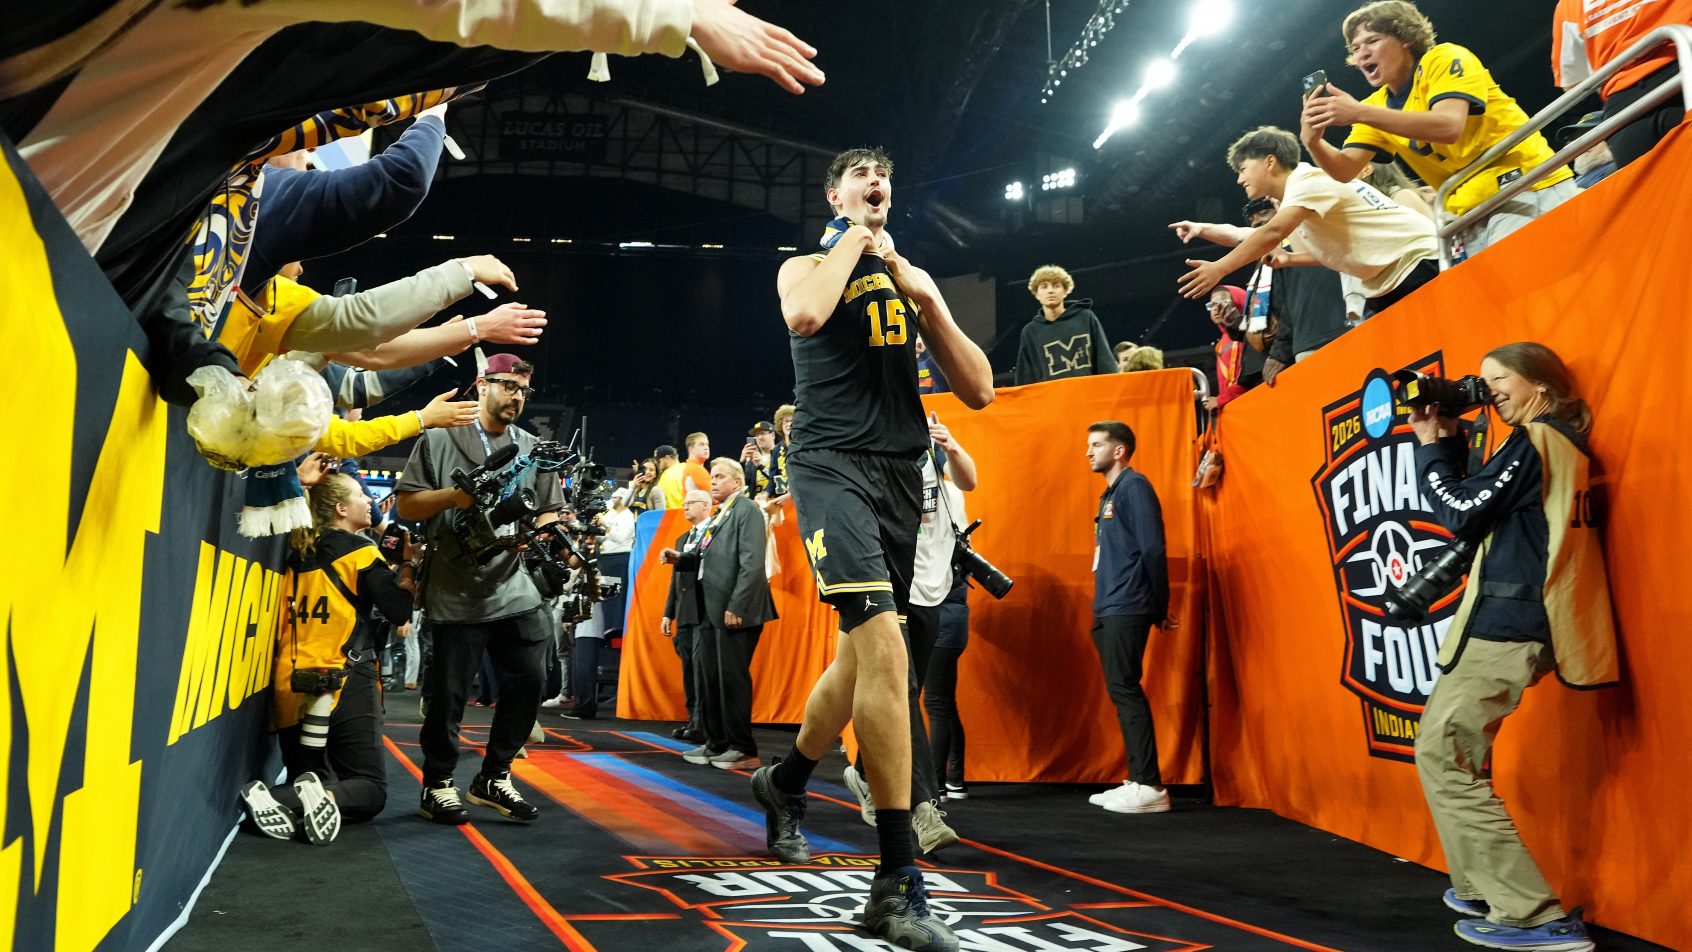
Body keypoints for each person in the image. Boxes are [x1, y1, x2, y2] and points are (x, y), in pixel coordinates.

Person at [752, 146, 993, 952]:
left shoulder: (908, 276)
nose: (875, 183)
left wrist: (930, 298)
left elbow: (981, 389)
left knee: (862, 659)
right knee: (887, 650)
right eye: (859, 175)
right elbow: (805, 318)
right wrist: (853, 238)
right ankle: (896, 880)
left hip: (900, 474)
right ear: (835, 194)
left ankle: (785, 782)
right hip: (828, 466)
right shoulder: (804, 265)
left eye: (884, 176)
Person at [1407, 342, 1616, 952]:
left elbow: (1461, 513)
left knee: (1446, 755)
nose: (1490, 390)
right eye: (1486, 381)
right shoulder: (1545, 444)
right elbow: (1486, 505)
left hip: (1510, 622)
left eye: (1502, 380)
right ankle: (1480, 885)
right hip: (1511, 618)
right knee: (1439, 749)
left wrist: (1428, 450)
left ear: (1541, 387)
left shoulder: (1540, 439)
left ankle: (1531, 913)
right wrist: (1446, 439)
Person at [394, 353, 563, 825]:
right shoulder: (441, 436)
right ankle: (438, 785)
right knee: (448, 695)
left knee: (532, 676)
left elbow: (550, 508)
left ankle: (494, 774)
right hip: (454, 584)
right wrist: (454, 497)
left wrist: (547, 534)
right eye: (508, 386)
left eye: (524, 390)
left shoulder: (533, 447)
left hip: (513, 582)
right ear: (482, 384)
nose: (517, 397)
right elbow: (407, 507)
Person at [1301, 1, 1576, 258]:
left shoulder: (1444, 57)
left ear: (1406, 38)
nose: (1362, 53)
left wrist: (1359, 112)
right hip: (1468, 215)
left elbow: (1448, 126)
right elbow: (1344, 170)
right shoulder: (1375, 106)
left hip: (1524, 186)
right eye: (1356, 47)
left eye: (1373, 40)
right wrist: (1312, 141)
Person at [240, 471, 419, 844]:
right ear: (340, 508)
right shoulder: (360, 552)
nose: (369, 501)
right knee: (369, 790)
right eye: (359, 495)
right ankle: (281, 798)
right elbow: (399, 610)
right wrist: (408, 565)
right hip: (343, 677)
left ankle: (285, 798)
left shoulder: (296, 553)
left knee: (312, 777)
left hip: (290, 683)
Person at [1179, 127, 1440, 320]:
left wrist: (1220, 268)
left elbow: (1271, 232)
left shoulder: (1306, 180)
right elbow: (1335, 250)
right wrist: (1291, 260)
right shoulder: (1296, 200)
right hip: (1386, 282)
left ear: (1270, 161)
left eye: (1243, 169)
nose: (1240, 180)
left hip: (1417, 263)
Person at [1084, 422, 1175, 815]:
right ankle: (1139, 778)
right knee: (1121, 690)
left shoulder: (1135, 487)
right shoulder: (1111, 492)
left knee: (1126, 689)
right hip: (1110, 605)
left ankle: (1151, 785)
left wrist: (1158, 605)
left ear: (1119, 451)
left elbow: (1153, 548)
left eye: (1097, 444)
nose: (1088, 452)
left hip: (1129, 604)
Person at [670, 459, 777, 769]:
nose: (712, 482)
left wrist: (737, 606)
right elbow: (706, 559)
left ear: (737, 482)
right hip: (710, 610)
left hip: (734, 611)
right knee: (710, 678)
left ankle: (744, 749)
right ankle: (717, 743)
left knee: (731, 680)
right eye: (712, 476)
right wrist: (682, 558)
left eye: (719, 477)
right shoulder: (720, 515)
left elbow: (752, 563)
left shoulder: (747, 511)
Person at [1553, 0, 1691, 169]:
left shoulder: (1570, 4)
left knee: (1663, 191)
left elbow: (1573, 84)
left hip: (1626, 114)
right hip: (1682, 75)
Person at [661, 489, 715, 743]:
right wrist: (667, 614)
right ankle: (692, 719)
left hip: (704, 611)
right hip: (684, 613)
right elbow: (675, 580)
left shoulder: (714, 533)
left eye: (690, 503)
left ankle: (702, 723)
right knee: (688, 669)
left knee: (700, 669)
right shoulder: (682, 538)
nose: (685, 507)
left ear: (706, 506)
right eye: (683, 503)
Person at [1013, 265, 1118, 385]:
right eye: (1044, 287)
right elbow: (1026, 376)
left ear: (1066, 291)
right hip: (1053, 400)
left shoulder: (1086, 317)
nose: (1050, 290)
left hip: (1088, 394)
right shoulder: (1030, 332)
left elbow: (1104, 359)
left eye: (1056, 286)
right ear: (1037, 294)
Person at [657, 433, 712, 508]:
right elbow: (712, 498)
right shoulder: (694, 468)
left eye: (707, 444)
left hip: (675, 515)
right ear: (691, 449)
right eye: (701, 444)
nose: (706, 448)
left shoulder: (688, 468)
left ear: (667, 458)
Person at [740, 421, 779, 497]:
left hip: (777, 502)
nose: (760, 437)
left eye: (763, 433)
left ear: (773, 435)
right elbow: (743, 483)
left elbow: (777, 479)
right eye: (757, 435)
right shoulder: (752, 462)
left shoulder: (780, 455)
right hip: (756, 505)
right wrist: (742, 462)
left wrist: (760, 466)